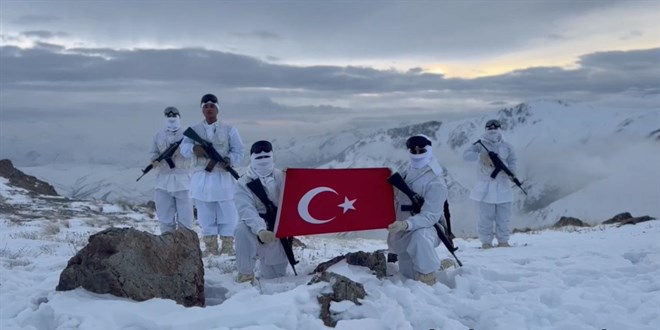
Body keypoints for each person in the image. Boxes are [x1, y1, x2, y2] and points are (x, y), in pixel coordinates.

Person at [180, 94, 244, 256]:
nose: (209, 109)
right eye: (206, 106)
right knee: (204, 213)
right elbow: (184, 148)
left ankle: (228, 247)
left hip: (222, 178)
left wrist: (230, 159)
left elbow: (239, 150)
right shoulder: (194, 130)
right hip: (202, 178)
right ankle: (210, 248)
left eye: (212, 106)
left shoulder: (230, 130)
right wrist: (194, 149)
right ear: (202, 109)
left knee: (228, 213)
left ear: (217, 109)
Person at [387, 134, 453, 286]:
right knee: (408, 275)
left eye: (421, 151)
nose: (417, 155)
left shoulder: (436, 181)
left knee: (420, 238)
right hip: (402, 228)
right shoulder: (405, 172)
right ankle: (439, 266)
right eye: (413, 151)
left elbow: (430, 217)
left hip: (427, 229)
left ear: (429, 150)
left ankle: (429, 278)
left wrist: (406, 225)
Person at [233, 140, 289, 283]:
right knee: (241, 230)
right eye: (258, 157)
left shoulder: (282, 177)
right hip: (255, 228)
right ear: (252, 158)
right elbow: (246, 210)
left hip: (278, 229)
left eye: (266, 156)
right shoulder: (243, 183)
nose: (263, 160)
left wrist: (293, 178)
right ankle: (245, 274)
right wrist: (260, 229)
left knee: (276, 276)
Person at [463, 119, 518, 249]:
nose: (493, 129)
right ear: (486, 129)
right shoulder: (480, 145)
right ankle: (486, 242)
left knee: (503, 218)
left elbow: (513, 160)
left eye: (495, 127)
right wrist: (481, 157)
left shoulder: (507, 146)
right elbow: (466, 156)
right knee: (485, 218)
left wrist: (512, 173)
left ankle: (503, 241)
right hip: (485, 187)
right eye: (490, 127)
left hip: (503, 185)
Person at [148, 106, 194, 234]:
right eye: (168, 115)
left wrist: (183, 152)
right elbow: (152, 153)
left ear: (179, 117)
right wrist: (154, 160)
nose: (171, 118)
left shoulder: (188, 135)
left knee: (186, 219)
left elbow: (195, 154)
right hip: (163, 181)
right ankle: (167, 245)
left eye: (174, 115)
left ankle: (186, 247)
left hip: (183, 181)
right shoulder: (158, 135)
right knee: (165, 218)